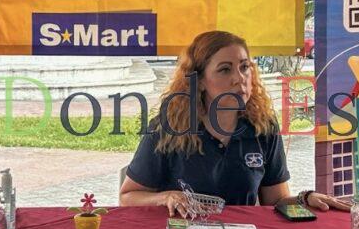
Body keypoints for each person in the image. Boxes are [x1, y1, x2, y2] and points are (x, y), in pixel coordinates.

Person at [120, 30, 346, 215]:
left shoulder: (263, 126)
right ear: (199, 81)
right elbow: (128, 197)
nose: (239, 78)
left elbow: (275, 201)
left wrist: (305, 198)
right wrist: (166, 197)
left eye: (244, 67)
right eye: (225, 70)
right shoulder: (168, 127)